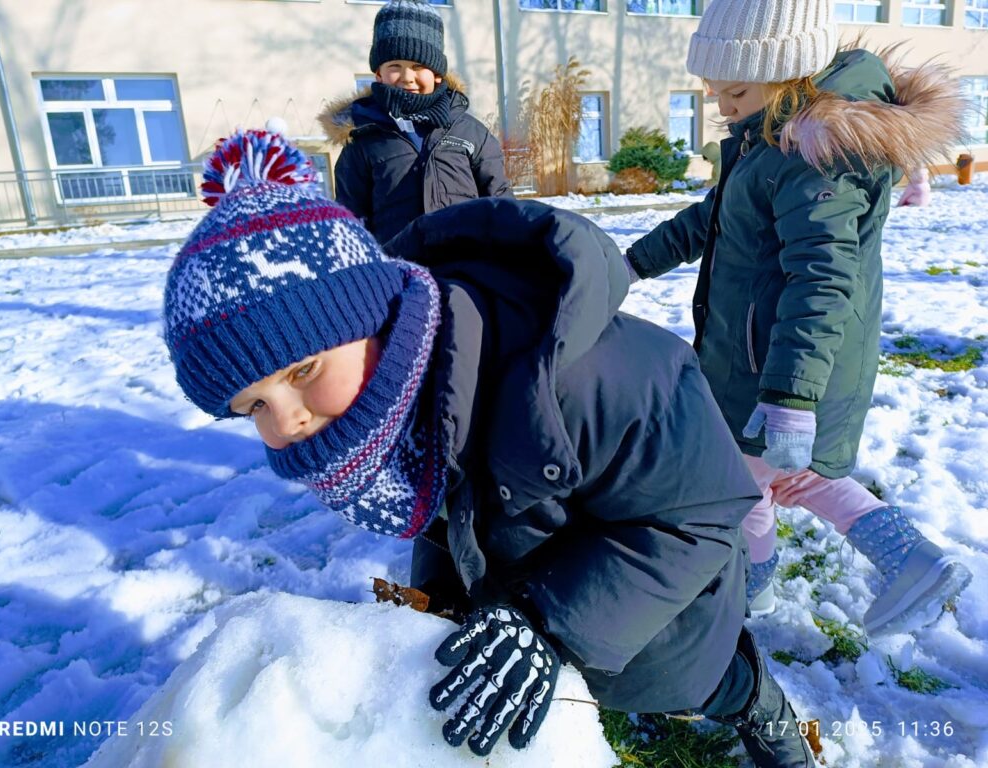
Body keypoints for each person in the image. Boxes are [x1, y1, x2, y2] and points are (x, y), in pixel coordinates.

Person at [164, 127, 819, 766]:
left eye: (301, 372)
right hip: (528, 595)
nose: (286, 424)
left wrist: (547, 620)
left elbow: (700, 515)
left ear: (374, 318)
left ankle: (762, 704)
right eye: (251, 408)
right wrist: (439, 604)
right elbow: (444, 507)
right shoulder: (392, 404)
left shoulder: (593, 377)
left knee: (698, 687)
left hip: (664, 621)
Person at [625, 0, 972, 635]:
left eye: (733, 89)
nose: (720, 104)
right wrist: (628, 266)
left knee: (757, 480)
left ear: (791, 76)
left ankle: (864, 568)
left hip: (787, 369)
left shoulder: (815, 156)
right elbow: (710, 220)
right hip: (769, 362)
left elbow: (822, 278)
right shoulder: (768, 142)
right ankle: (794, 578)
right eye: (711, 89)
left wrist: (790, 396)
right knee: (770, 481)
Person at [319, 0, 511, 245]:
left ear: (438, 73)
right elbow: (352, 221)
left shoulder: (470, 133)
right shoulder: (363, 140)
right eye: (395, 66)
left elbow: (501, 203)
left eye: (419, 66)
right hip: (397, 273)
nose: (407, 77)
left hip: (467, 269)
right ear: (379, 73)